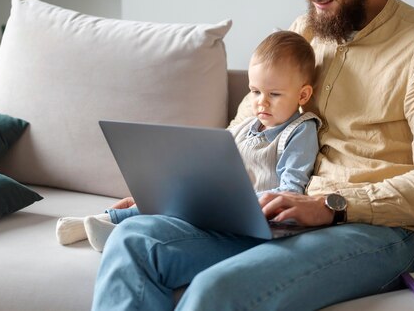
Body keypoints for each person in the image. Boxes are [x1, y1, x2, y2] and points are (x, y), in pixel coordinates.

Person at [92, 0, 414, 311]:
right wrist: (178, 187)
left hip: (375, 231)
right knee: (133, 242)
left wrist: (331, 207)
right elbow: (246, 125)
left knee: (218, 290)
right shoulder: (305, 31)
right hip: (279, 212)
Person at [56, 31, 321, 252]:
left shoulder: (301, 131)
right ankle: (103, 220)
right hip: (224, 204)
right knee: (171, 197)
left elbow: (291, 192)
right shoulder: (245, 128)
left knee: (180, 214)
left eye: (274, 94)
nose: (261, 102)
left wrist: (240, 201)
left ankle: (113, 231)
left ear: (302, 94)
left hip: (259, 218)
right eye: (255, 91)